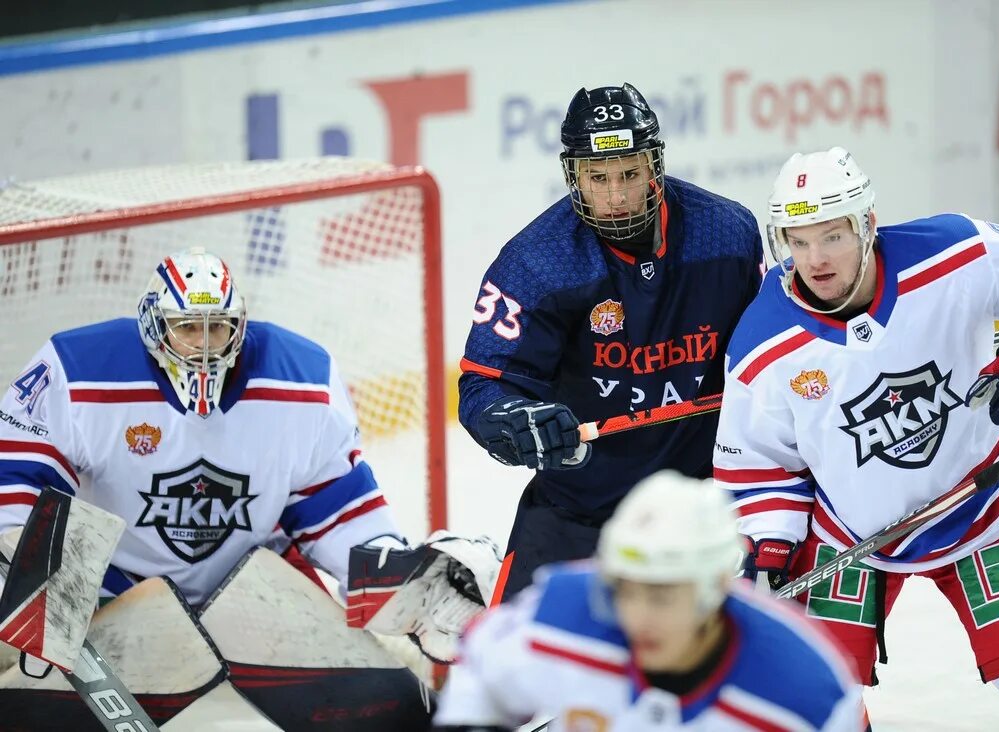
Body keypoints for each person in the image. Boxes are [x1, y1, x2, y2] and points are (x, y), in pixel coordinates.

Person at [714, 146, 999, 731]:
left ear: (867, 224)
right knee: (805, 710)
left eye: (832, 236)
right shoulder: (761, 340)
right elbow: (760, 464)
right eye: (798, 241)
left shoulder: (953, 252)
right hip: (851, 532)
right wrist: (770, 544)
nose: (814, 259)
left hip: (986, 510)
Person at [0, 246, 497, 665]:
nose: (203, 345)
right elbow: (18, 473)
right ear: (155, 326)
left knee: (381, 703)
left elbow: (338, 512)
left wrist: (404, 584)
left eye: (218, 329)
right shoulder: (77, 369)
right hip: (115, 592)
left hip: (253, 588)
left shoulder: (304, 380)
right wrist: (18, 553)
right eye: (187, 328)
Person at [458, 82, 763, 601]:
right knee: (513, 667)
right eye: (598, 178)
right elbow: (483, 386)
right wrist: (511, 419)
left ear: (654, 168)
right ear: (574, 176)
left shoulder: (727, 236)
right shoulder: (538, 263)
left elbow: (770, 357)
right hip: (580, 505)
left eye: (629, 173)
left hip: (706, 506)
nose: (617, 195)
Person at [432, 470, 866, 731]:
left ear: (716, 585)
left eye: (661, 595)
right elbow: (483, 666)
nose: (637, 616)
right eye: (625, 588)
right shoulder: (563, 613)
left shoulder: (806, 692)